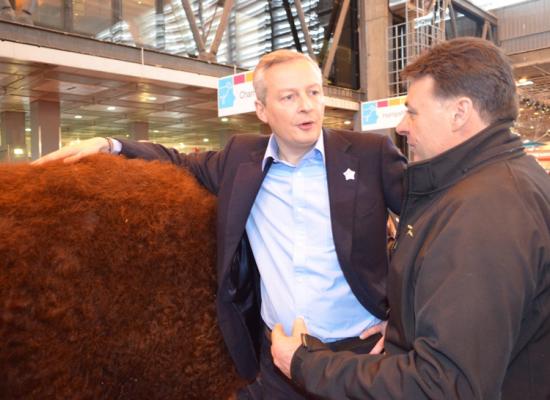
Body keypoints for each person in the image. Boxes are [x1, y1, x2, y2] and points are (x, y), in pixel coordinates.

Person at [33, 49, 406, 399]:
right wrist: (110, 145)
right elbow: (177, 161)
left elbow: (428, 229)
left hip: (361, 352)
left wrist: (405, 321)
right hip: (277, 358)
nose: (307, 106)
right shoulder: (241, 158)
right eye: (289, 97)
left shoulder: (370, 154)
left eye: (313, 92)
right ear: (261, 109)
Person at [271, 37, 550, 399]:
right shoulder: (501, 181)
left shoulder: (485, 212)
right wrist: (411, 322)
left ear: (460, 113)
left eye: (413, 111)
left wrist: (305, 363)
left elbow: (442, 384)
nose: (402, 126)